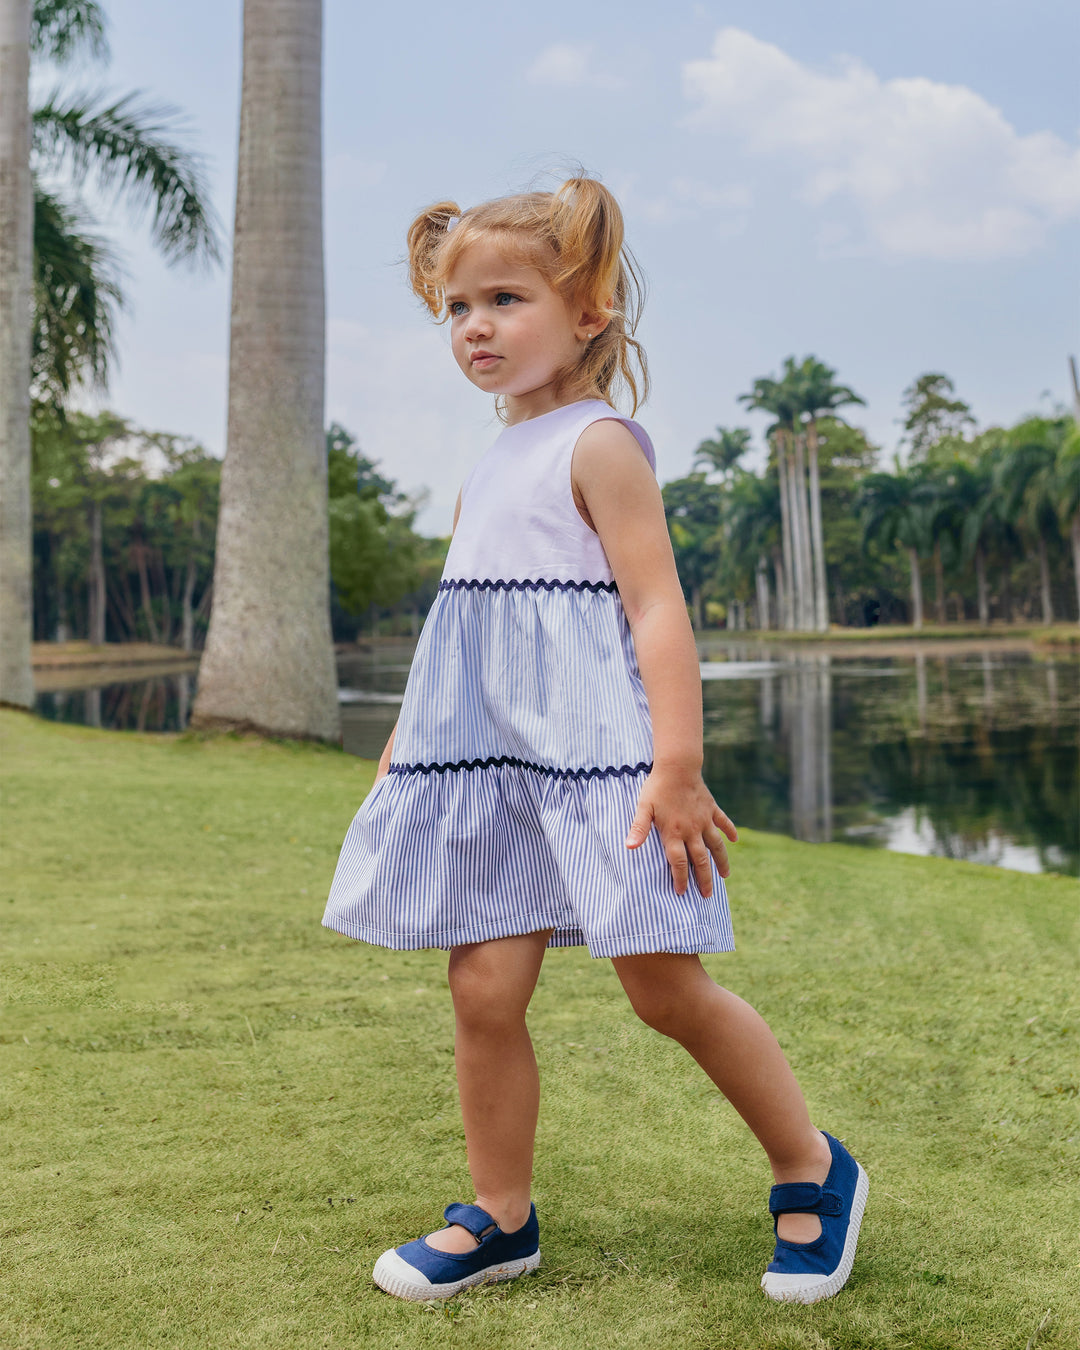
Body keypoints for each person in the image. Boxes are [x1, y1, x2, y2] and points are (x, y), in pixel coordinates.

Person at [322, 176, 867, 1306]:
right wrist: (401, 754)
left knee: (663, 989)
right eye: (457, 308)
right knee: (481, 989)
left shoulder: (601, 443)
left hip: (600, 766)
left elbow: (656, 610)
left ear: (589, 309)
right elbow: (460, 630)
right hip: (492, 773)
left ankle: (813, 1165)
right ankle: (501, 1218)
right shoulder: (485, 466)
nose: (476, 326)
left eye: (505, 298)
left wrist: (676, 766)